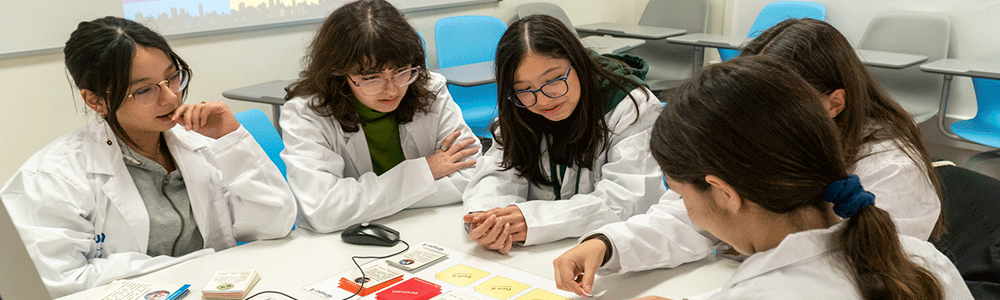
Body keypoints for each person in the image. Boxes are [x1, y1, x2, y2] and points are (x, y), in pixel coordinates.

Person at [552, 18, 947, 293]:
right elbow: (697, 210)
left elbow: (838, 280)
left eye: (779, 101)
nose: (757, 117)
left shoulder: (891, 169)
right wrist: (608, 243)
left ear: (834, 103)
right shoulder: (764, 143)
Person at [0, 16, 296, 298]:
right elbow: (61, 283)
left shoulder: (200, 143)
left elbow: (275, 223)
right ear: (95, 100)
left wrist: (231, 140)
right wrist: (198, 267)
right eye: (144, 90)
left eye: (172, 79)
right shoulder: (53, 177)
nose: (170, 98)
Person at [461, 14, 665, 254]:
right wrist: (488, 218)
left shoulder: (629, 105)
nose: (544, 99)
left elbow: (625, 201)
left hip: (613, 249)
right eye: (524, 89)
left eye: (554, 79)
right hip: (535, 254)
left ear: (578, 63)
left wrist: (533, 221)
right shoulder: (518, 109)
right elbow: (495, 174)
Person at [281, 0, 481, 233]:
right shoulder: (306, 113)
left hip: (424, 228)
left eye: (401, 71)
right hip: (340, 243)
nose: (392, 89)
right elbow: (323, 210)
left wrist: (376, 202)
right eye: (372, 78)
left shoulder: (429, 88)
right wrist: (426, 171)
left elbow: (472, 173)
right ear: (339, 73)